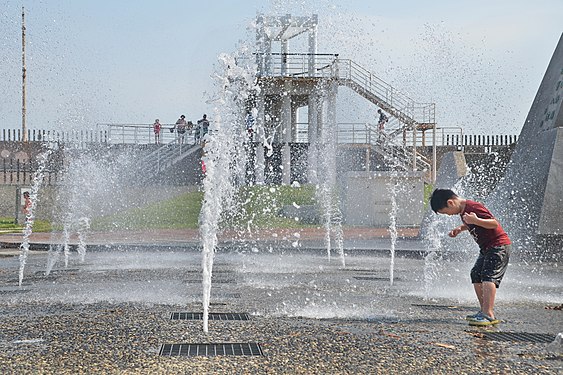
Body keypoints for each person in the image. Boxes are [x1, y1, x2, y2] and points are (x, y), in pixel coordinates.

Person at [430, 189, 511, 326]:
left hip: (498, 246)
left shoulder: (473, 206)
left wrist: (476, 220)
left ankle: (488, 313)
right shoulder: (463, 211)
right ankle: (483, 310)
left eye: (445, 212)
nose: (448, 215)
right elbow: (470, 223)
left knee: (488, 276)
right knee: (476, 274)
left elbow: (493, 223)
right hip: (486, 248)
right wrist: (461, 228)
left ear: (450, 202)